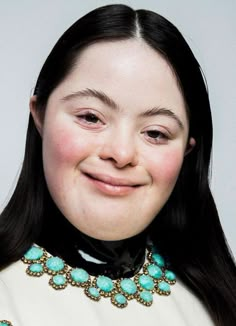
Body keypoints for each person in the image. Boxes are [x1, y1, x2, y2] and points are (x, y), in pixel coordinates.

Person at [0, 4, 235, 326]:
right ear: (39, 115)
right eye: (90, 117)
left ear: (187, 150)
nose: (122, 153)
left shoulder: (218, 302)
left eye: (155, 133)